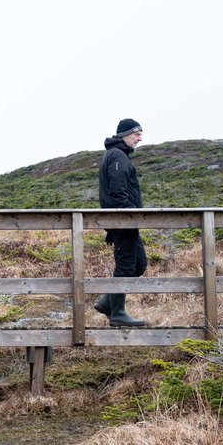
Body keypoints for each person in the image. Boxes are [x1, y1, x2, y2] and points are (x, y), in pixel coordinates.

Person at [95, 118, 147, 327]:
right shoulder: (117, 155)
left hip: (126, 221)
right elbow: (118, 193)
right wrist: (122, 221)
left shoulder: (119, 155)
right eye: (136, 134)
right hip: (124, 221)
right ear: (124, 134)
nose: (140, 138)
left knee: (138, 264)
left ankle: (108, 302)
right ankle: (117, 313)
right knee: (126, 266)